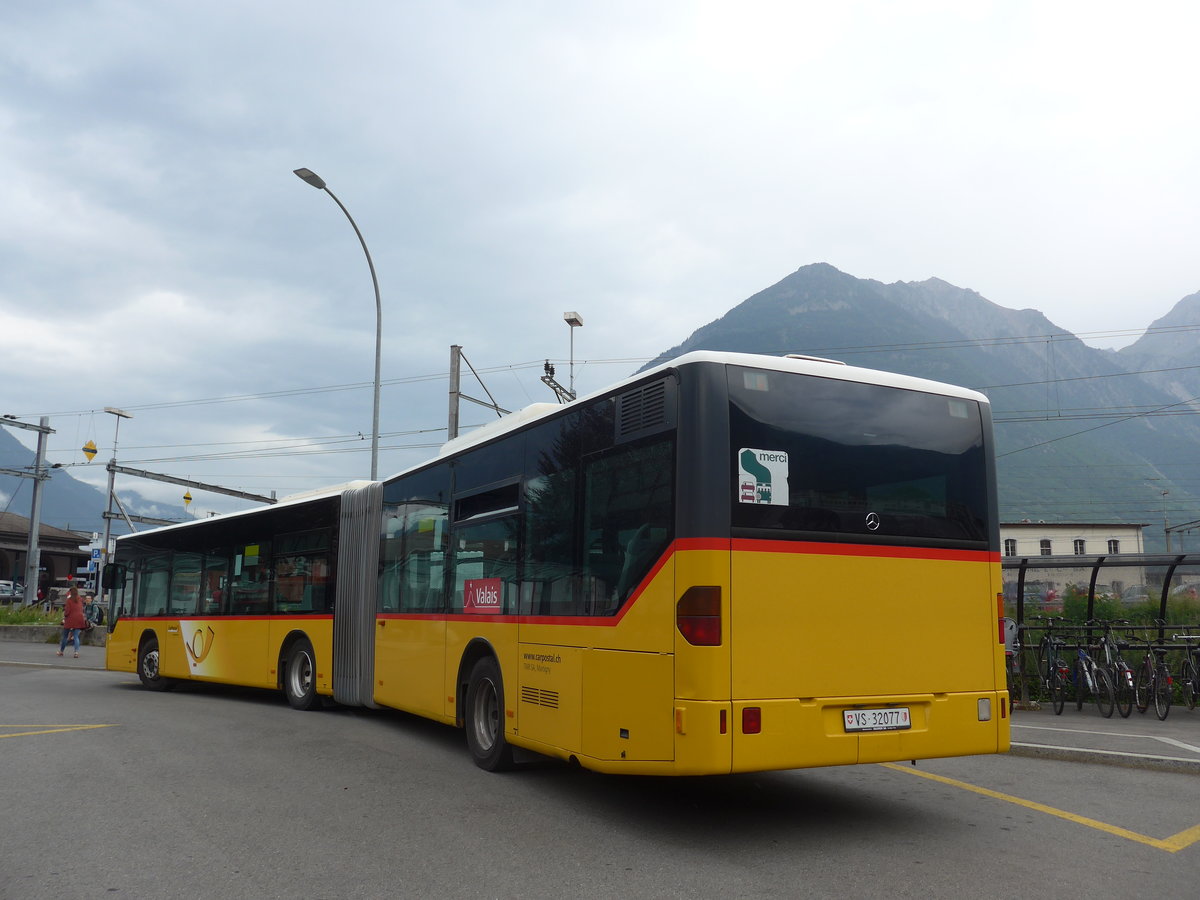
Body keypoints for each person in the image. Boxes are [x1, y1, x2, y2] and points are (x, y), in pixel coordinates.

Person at [57, 586, 88, 658]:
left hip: (70, 619)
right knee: (76, 636)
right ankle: (76, 652)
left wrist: (64, 616)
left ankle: (61, 651)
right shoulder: (80, 599)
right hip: (79, 619)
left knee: (65, 636)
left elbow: (67, 612)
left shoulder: (69, 600)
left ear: (71, 592)